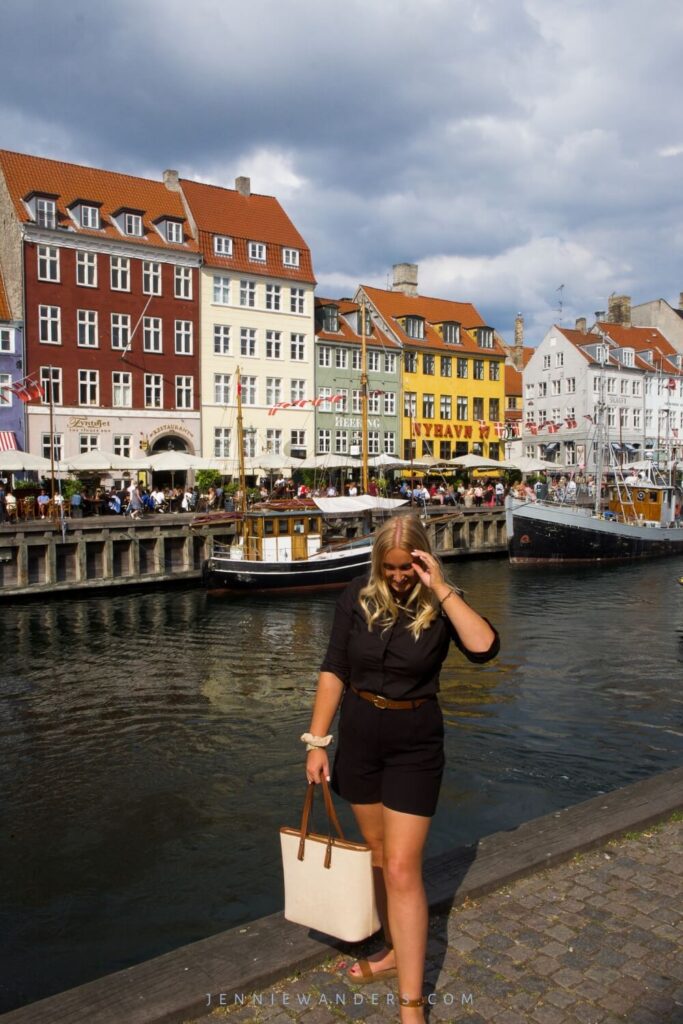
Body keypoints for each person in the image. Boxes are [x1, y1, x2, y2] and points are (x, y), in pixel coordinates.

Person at [304, 517, 498, 1021]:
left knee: (401, 867)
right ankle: (391, 951)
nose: (397, 577)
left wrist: (442, 587)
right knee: (376, 856)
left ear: (421, 559)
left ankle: (412, 1007)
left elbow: (484, 648)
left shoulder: (437, 602)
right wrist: (317, 741)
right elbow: (334, 669)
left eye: (406, 567)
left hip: (415, 742)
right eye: (388, 568)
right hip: (361, 737)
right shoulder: (356, 595)